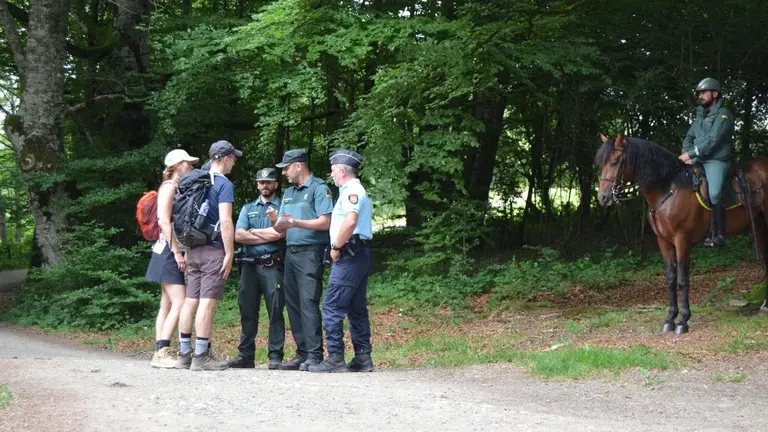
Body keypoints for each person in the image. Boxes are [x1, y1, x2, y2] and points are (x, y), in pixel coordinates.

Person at [175, 140, 241, 371]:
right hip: (213, 249)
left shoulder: (195, 181)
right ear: (223, 158)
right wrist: (229, 252)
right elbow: (225, 220)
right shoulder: (224, 184)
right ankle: (201, 356)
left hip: (192, 249)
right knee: (207, 304)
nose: (234, 162)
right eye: (233, 158)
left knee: (190, 300)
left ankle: (183, 354)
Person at [308, 150, 375, 373]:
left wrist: (336, 247)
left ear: (343, 170)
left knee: (332, 306)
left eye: (334, 170)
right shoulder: (353, 190)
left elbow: (350, 221)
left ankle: (335, 357)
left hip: (349, 253)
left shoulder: (351, 191)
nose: (332, 174)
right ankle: (363, 358)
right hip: (358, 253)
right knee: (356, 308)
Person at [271, 149, 333, 371]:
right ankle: (302, 353)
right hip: (291, 251)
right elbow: (283, 226)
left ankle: (315, 354)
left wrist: (296, 222)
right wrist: (274, 221)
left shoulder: (319, 188)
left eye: (286, 168)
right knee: (293, 303)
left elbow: (325, 222)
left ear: (298, 165)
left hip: (311, 252)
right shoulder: (288, 192)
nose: (284, 173)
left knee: (308, 302)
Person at [228, 168, 286, 369]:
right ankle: (246, 356)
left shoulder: (283, 206)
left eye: (268, 182)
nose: (264, 186)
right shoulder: (248, 208)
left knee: (276, 310)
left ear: (276, 184)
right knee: (247, 310)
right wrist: (268, 234)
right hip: (249, 266)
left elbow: (281, 234)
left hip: (273, 265)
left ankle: (275, 356)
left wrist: (256, 232)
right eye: (261, 182)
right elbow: (238, 236)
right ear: (257, 185)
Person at [146, 149, 199, 368]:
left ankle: (160, 350)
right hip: (168, 251)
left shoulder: (175, 187)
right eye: (188, 163)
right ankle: (162, 353)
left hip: (164, 250)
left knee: (166, 303)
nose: (192, 167)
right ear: (178, 165)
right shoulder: (169, 187)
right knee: (180, 301)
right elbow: (164, 221)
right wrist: (178, 253)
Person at [678, 77, 735, 247]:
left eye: (703, 92)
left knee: (715, 192)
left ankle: (719, 234)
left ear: (715, 94)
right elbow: (689, 137)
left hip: (716, 160)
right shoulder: (699, 117)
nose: (700, 96)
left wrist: (690, 154)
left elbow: (712, 140)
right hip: (699, 159)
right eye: (699, 93)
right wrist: (686, 155)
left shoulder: (724, 114)